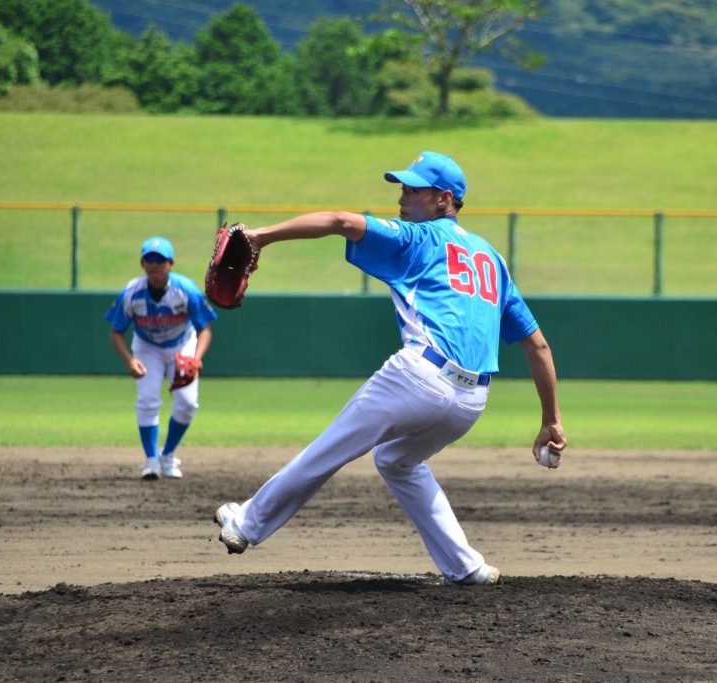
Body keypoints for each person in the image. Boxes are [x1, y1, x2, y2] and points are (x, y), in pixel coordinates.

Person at [214, 151, 566, 585]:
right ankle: (465, 566)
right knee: (397, 460)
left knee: (332, 446)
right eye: (402, 188)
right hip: (471, 401)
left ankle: (246, 522)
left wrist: (259, 237)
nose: (402, 197)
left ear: (445, 200)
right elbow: (538, 344)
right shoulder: (492, 259)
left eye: (414, 190)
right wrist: (550, 419)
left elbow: (340, 221)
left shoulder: (419, 239)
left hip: (419, 378)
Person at [105, 236, 217, 480]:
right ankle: (151, 460)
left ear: (171, 263)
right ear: (142, 263)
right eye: (149, 260)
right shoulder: (132, 293)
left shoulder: (185, 289)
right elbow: (116, 332)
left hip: (182, 345)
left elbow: (204, 329)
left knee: (187, 404)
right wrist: (129, 360)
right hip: (147, 347)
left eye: (160, 260)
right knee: (147, 400)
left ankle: (167, 455)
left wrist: (196, 358)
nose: (154, 265)